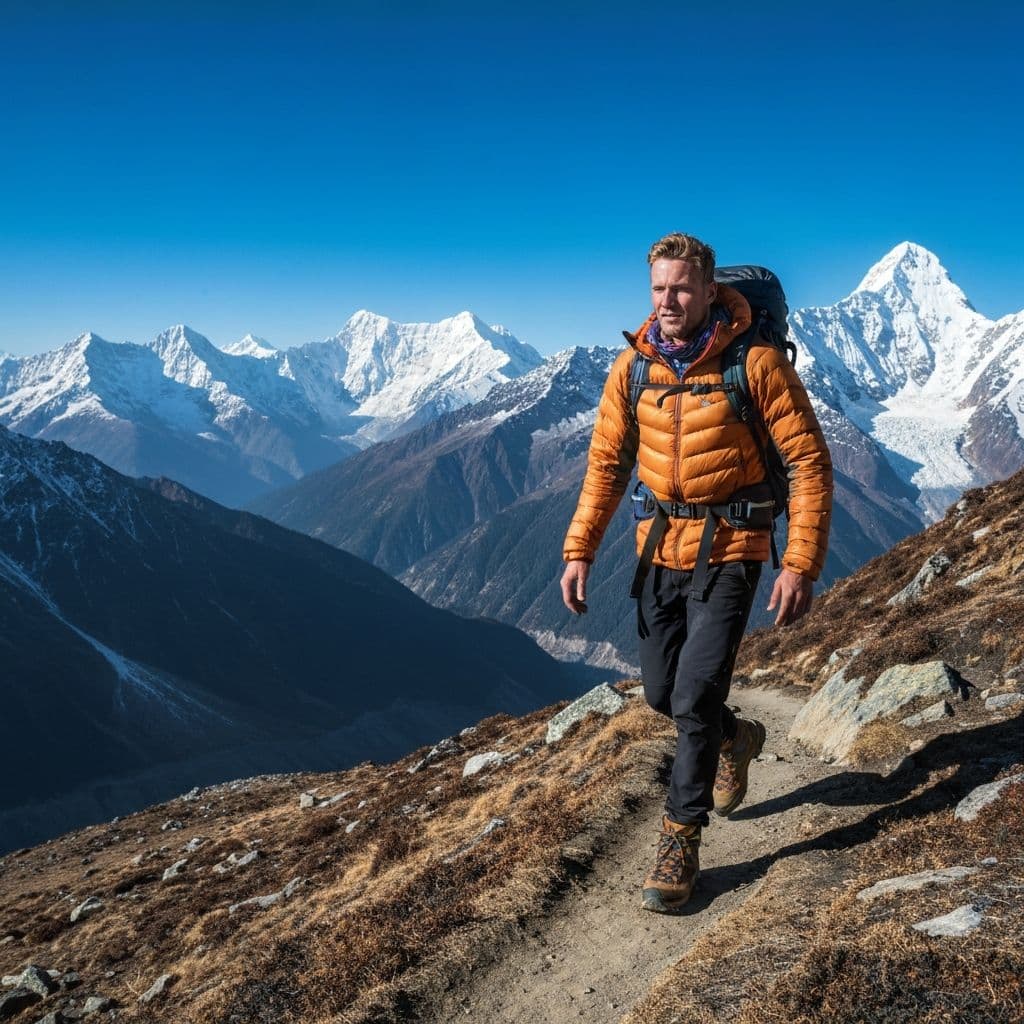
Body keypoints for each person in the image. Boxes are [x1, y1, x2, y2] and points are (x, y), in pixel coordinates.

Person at [559, 232, 833, 913]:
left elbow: (808, 463)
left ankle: (679, 841)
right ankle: (736, 736)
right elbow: (606, 466)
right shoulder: (634, 369)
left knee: (693, 696)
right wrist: (579, 549)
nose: (668, 300)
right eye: (658, 289)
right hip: (658, 549)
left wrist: (798, 561)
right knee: (662, 693)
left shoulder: (758, 365)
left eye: (681, 288)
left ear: (711, 291)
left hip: (733, 548)